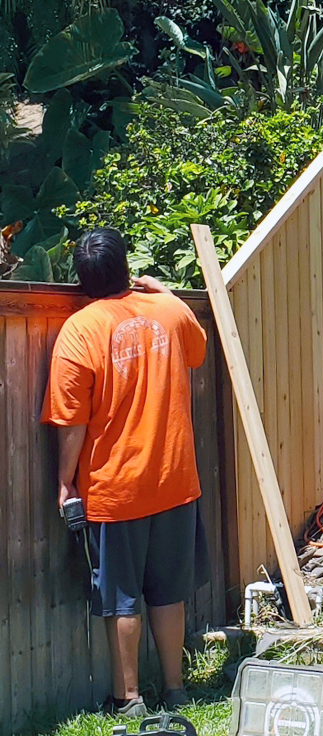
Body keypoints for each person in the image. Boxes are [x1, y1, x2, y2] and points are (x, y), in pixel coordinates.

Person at [41, 228, 209, 716]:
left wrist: (64, 481)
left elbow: (71, 421)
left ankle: (129, 699)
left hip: (117, 488)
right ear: (126, 268)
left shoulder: (80, 329)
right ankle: (176, 689)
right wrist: (169, 293)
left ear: (82, 279)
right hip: (175, 481)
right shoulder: (170, 311)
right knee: (168, 591)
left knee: (120, 599)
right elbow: (196, 352)